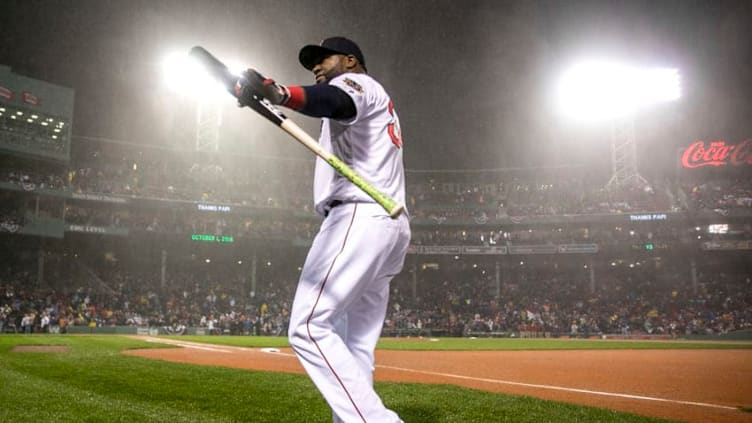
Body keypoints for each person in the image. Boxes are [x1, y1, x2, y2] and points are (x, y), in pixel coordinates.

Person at [235, 36, 410, 423]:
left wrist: (280, 93)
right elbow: (329, 102)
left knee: (309, 326)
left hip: (358, 215)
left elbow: (334, 101)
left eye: (323, 59)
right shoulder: (379, 100)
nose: (315, 66)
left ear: (350, 60)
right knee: (356, 344)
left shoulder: (358, 84)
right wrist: (270, 98)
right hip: (388, 223)